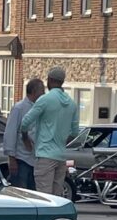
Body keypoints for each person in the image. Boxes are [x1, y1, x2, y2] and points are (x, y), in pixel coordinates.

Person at [20, 65, 79, 196]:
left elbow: (25, 123)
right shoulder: (72, 104)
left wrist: (25, 137)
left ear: (50, 80)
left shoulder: (45, 100)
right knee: (57, 196)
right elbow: (75, 132)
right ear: (62, 82)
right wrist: (62, 141)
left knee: (44, 196)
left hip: (45, 155)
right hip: (61, 156)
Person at [3, 78, 45, 188]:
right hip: (21, 159)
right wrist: (11, 159)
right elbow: (10, 133)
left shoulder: (40, 108)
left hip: (35, 160)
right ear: (34, 91)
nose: (44, 94)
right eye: (42, 91)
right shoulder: (19, 108)